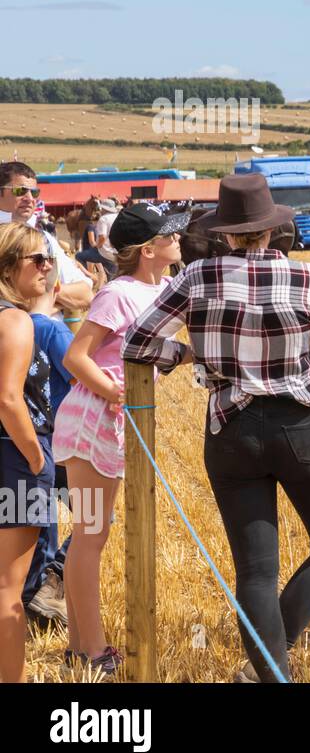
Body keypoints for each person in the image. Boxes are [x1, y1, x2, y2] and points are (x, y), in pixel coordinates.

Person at [124, 173, 310, 682]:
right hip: (301, 427)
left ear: (226, 233)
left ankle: (271, 675)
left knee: (255, 571)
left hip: (230, 429)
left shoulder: (196, 277)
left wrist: (187, 354)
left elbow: (136, 344)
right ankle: (273, 654)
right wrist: (291, 372)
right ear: (272, 230)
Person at [54, 202, 191, 676]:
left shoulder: (168, 288)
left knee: (92, 534)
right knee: (90, 535)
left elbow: (158, 348)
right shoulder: (118, 294)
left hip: (115, 421)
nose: (179, 240)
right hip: (92, 422)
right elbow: (77, 356)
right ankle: (92, 650)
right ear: (148, 249)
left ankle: (78, 645)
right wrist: (110, 387)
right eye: (170, 235)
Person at [0, 222, 57, 683]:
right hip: (15, 457)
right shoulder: (14, 321)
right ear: (6, 267)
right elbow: (9, 399)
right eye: (35, 259)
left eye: (49, 258)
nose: (47, 266)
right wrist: (36, 459)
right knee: (7, 591)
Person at [20, 278, 76, 628]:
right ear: (58, 289)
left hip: (28, 437)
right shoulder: (54, 331)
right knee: (96, 514)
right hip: (61, 435)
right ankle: (54, 578)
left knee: (41, 522)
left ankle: (36, 596)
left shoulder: (16, 324)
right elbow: (79, 372)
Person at [0, 163, 93, 323]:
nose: (29, 198)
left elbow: (85, 294)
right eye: (20, 190)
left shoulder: (45, 238)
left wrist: (41, 296)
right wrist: (55, 301)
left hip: (47, 341)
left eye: (34, 192)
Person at [76, 197, 119, 277]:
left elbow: (102, 237)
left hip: (104, 252)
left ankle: (88, 277)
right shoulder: (118, 217)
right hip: (117, 252)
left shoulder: (103, 219)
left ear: (104, 209)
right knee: (112, 274)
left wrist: (97, 246)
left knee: (78, 256)